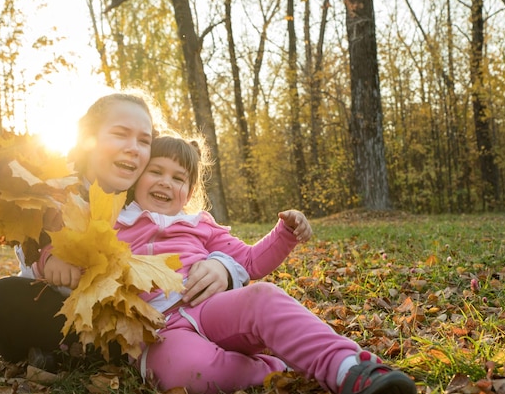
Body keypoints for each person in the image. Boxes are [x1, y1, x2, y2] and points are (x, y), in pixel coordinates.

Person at [110, 135, 417, 394]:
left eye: (178, 178)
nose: (166, 182)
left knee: (263, 298)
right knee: (186, 372)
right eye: (156, 172)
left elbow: (250, 261)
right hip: (161, 330)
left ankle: (348, 368)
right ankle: (272, 368)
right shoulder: (114, 225)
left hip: (212, 308)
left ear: (189, 192)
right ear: (138, 177)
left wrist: (285, 233)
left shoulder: (199, 224)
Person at [0, 92, 248, 370]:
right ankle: (67, 351)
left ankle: (95, 354)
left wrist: (223, 266)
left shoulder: (146, 198)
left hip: (126, 317)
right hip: (58, 306)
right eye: (120, 134)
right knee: (1, 297)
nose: (133, 148)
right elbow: (27, 247)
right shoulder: (53, 191)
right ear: (88, 139)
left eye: (144, 141)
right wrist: (50, 260)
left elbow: (193, 237)